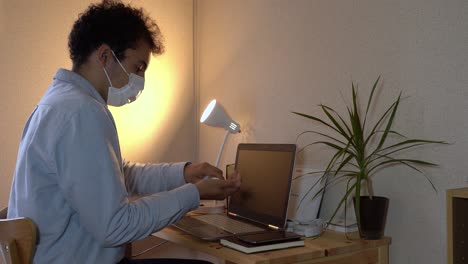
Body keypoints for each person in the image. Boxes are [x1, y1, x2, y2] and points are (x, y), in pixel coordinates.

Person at [7, 1, 241, 263]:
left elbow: (115, 174)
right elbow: (116, 226)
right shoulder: (81, 113)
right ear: (105, 56)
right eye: (138, 68)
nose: (140, 79)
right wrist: (195, 193)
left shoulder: (57, 103)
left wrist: (184, 173)